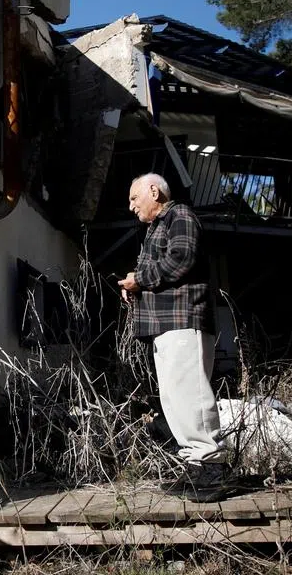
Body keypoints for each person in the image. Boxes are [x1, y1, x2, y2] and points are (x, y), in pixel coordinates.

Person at [117, 173, 229, 502]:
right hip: (167, 324)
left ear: (154, 191)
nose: (131, 206)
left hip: (183, 320)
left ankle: (211, 468)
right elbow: (167, 266)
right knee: (174, 398)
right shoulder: (159, 225)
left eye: (134, 198)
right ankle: (196, 467)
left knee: (190, 395)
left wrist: (140, 279)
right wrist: (135, 285)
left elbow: (182, 258)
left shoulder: (179, 215)